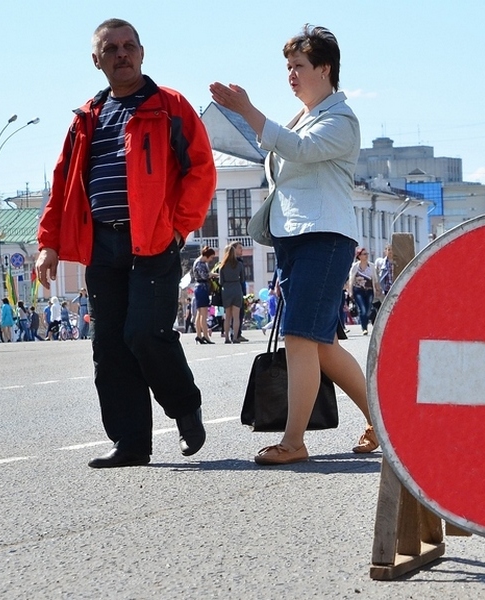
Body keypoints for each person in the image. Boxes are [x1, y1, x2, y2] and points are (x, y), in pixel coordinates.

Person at [35, 18, 215, 468]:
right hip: (101, 245)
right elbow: (63, 187)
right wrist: (48, 243)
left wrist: (178, 228)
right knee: (110, 345)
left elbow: (201, 170)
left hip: (155, 242)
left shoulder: (170, 106)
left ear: (142, 52)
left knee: (145, 334)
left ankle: (184, 406)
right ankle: (131, 443)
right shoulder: (85, 119)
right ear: (96, 60)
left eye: (128, 45)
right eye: (111, 48)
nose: (121, 54)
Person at [210, 24, 377, 465]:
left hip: (323, 237)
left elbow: (300, 151)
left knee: (300, 337)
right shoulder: (303, 116)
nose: (291, 74)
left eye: (298, 65)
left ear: (325, 68)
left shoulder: (341, 120)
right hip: (295, 239)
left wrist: (248, 112)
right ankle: (382, 420)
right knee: (320, 344)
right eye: (287, 67)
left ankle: (294, 441)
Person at [349, 246, 381, 334]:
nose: (366, 256)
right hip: (358, 290)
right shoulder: (355, 266)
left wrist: (378, 289)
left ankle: (367, 322)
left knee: (367, 310)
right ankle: (364, 328)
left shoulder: (371, 266)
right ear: (359, 256)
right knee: (362, 309)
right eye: (364, 254)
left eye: (367, 254)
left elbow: (375, 279)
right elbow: (351, 279)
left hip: (369, 290)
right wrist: (350, 292)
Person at [218, 243, 245, 343]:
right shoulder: (239, 265)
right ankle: (235, 337)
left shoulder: (222, 266)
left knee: (227, 316)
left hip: (226, 290)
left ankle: (226, 338)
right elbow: (242, 279)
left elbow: (221, 282)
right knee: (236, 316)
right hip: (237, 289)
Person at [192, 246, 217, 344]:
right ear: (207, 256)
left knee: (199, 313)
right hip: (202, 288)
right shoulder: (201, 263)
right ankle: (205, 336)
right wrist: (213, 275)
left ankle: (199, 335)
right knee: (203, 313)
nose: (211, 260)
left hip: (199, 288)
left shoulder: (198, 262)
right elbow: (204, 276)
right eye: (211, 257)